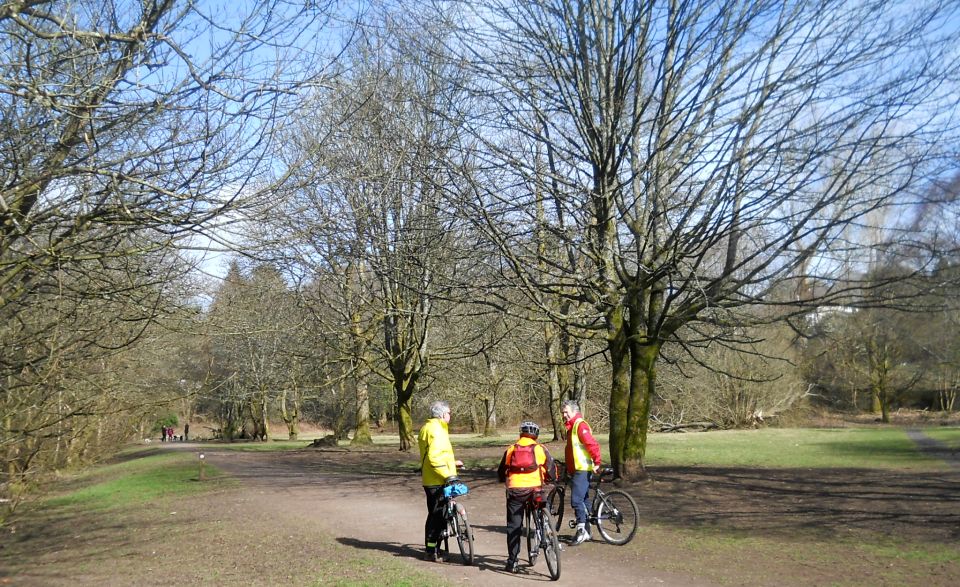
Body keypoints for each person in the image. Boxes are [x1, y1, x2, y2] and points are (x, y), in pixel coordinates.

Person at [497, 421, 556, 574]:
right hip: (535, 489)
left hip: (515, 491)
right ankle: (547, 530)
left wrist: (505, 480)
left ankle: (512, 561)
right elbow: (550, 468)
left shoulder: (511, 449)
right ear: (536, 435)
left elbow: (501, 471)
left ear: (521, 433)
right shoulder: (540, 449)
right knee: (543, 506)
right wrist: (550, 479)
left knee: (514, 526)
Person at [417, 400, 463, 562]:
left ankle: (435, 548)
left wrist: (453, 463)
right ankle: (431, 551)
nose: (450, 416)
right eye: (449, 413)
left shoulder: (429, 427)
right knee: (437, 516)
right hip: (437, 479)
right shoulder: (436, 430)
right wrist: (447, 474)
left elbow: (437, 454)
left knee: (437, 515)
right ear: (443, 414)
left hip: (432, 477)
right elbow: (435, 458)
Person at [561, 399, 601, 545]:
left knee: (576, 500)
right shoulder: (572, 427)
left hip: (582, 469)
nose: (564, 415)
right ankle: (588, 530)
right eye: (563, 412)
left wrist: (597, 462)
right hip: (577, 469)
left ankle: (581, 531)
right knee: (583, 500)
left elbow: (592, 444)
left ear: (574, 411)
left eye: (566, 412)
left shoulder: (579, 425)